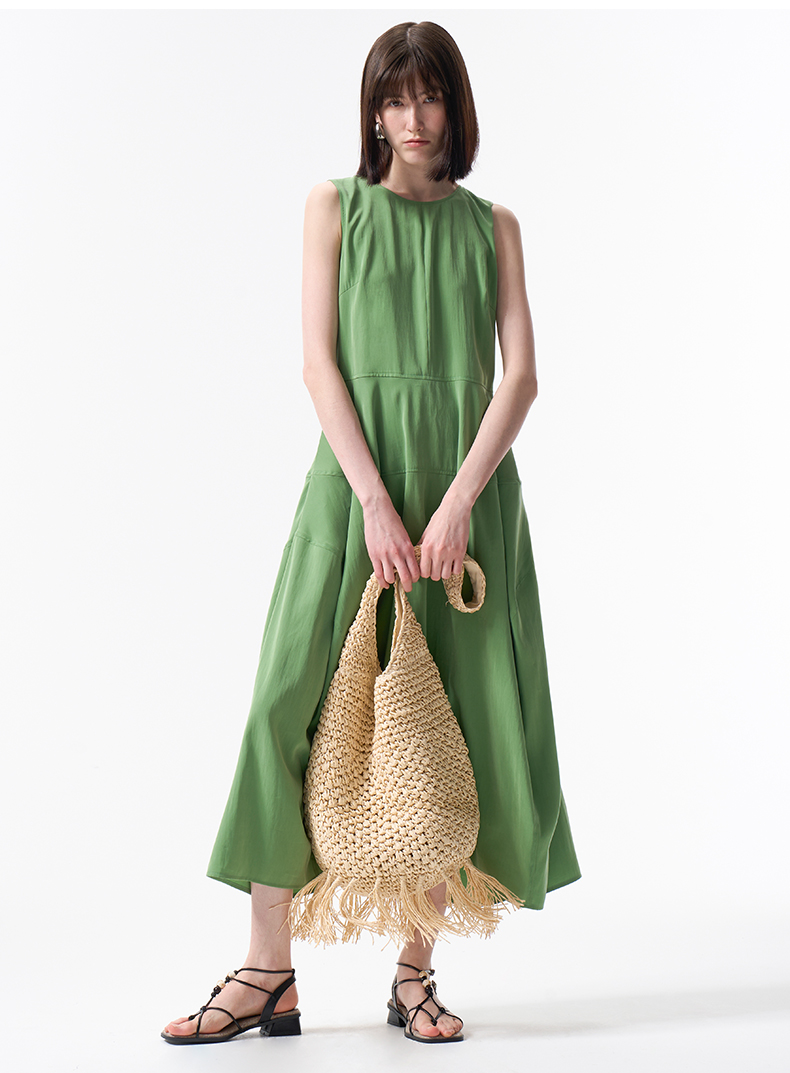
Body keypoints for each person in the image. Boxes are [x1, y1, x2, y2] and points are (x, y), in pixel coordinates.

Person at [162, 19, 581, 1047]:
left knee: (452, 729)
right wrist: (378, 502)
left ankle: (414, 973)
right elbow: (318, 362)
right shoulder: (334, 207)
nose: (410, 118)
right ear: (372, 112)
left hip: (465, 504)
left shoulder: (494, 226)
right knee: (285, 703)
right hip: (354, 491)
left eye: (427, 96)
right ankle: (267, 970)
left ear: (455, 106)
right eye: (392, 99)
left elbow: (520, 378)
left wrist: (457, 500)